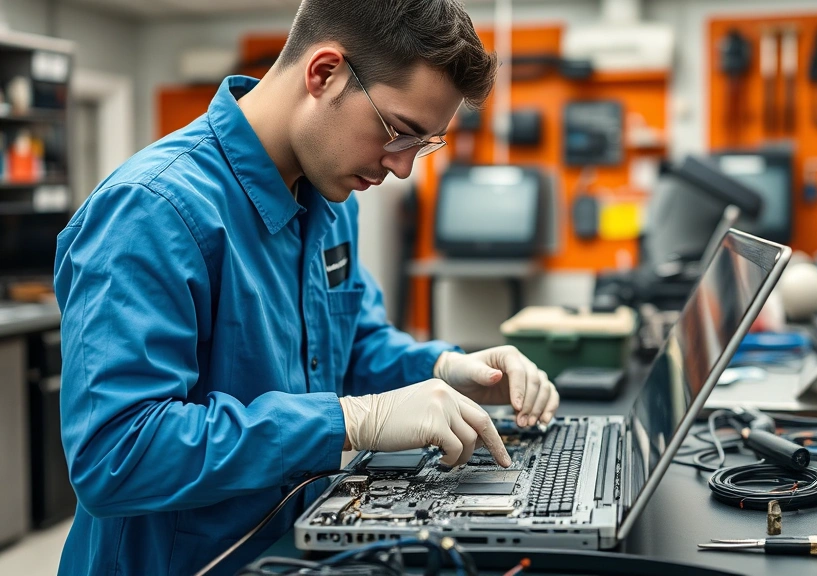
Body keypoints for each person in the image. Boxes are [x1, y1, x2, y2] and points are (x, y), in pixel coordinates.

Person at [53, 1, 559, 574]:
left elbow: (351, 346)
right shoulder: (152, 212)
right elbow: (116, 456)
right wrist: (347, 422)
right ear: (324, 73)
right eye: (399, 133)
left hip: (294, 551)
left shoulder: (330, 198)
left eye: (423, 145)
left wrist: (446, 370)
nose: (402, 169)